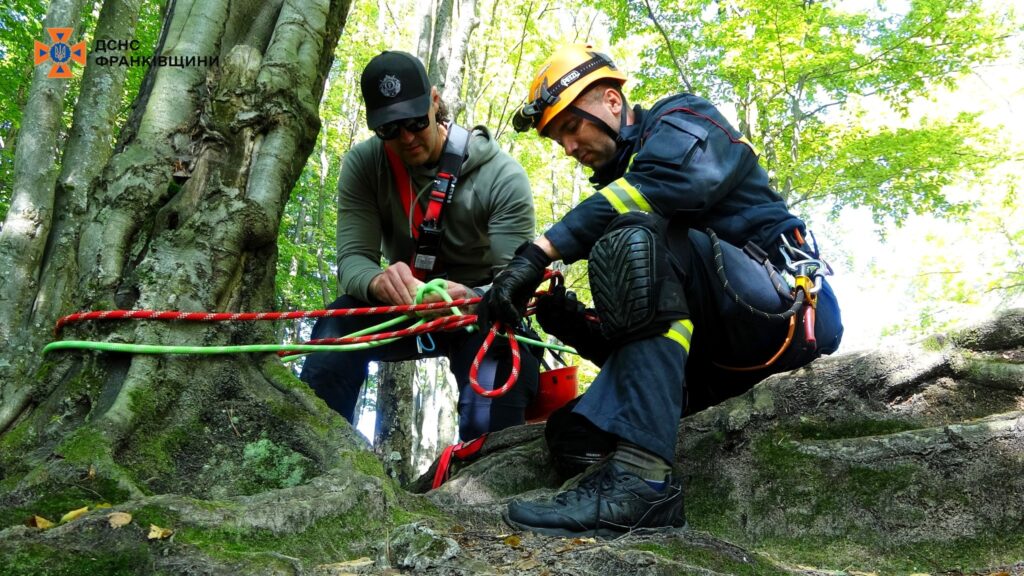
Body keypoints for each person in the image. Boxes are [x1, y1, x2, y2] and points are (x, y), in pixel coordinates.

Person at [481, 44, 843, 537]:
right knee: (573, 434)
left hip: (782, 317)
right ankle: (625, 466)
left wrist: (541, 250)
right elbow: (648, 339)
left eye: (570, 127)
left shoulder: (686, 118)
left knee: (636, 237)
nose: (568, 147)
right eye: (557, 138)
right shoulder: (620, 202)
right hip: (711, 363)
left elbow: (671, 185)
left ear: (611, 101)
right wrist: (568, 319)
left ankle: (642, 485)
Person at [301, 51, 539, 441]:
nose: (407, 138)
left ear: (434, 102)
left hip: (476, 312)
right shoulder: (365, 165)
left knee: (499, 383)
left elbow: (515, 282)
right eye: (390, 129)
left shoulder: (501, 176)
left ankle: (481, 487)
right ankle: (320, 457)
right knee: (335, 329)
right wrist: (379, 282)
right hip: (401, 306)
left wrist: (473, 296)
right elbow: (352, 261)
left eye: (415, 122)